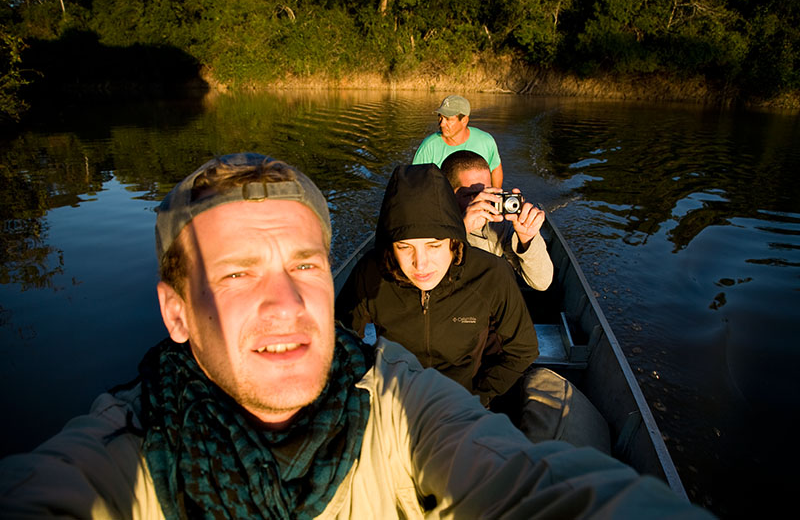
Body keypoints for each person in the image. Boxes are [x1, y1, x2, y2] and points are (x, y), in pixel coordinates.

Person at [0, 153, 715, 519]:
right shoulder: (120, 457)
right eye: (239, 273)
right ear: (176, 312)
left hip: (472, 403)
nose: (286, 303)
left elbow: (542, 486)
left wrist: (487, 401)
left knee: (564, 407)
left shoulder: (395, 396)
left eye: (305, 265)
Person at [335, 163, 539, 407]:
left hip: (461, 408)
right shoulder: (370, 272)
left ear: (453, 240)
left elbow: (522, 349)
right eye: (404, 247)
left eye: (434, 246)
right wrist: (367, 387)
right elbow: (338, 339)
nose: (420, 265)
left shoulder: (491, 273)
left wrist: (478, 397)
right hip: (392, 404)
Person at [441, 150, 554, 291]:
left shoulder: (499, 224)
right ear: (446, 195)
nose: (482, 200)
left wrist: (527, 240)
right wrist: (461, 231)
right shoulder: (427, 224)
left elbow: (541, 282)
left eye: (487, 192)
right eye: (471, 195)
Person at [412, 94, 504, 188]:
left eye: (448, 119)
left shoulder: (486, 141)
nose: (442, 123)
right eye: (440, 117)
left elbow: (495, 169)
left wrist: (496, 197)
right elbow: (415, 181)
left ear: (464, 120)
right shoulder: (428, 146)